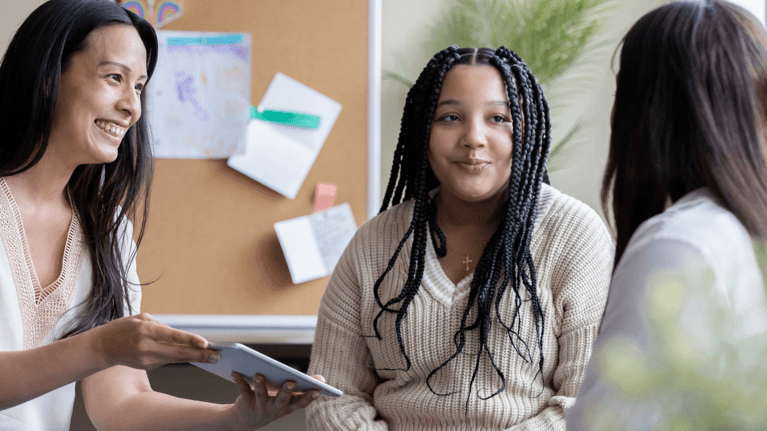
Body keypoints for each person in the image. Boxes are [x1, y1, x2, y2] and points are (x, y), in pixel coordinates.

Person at [0, 1, 320, 429]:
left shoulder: (108, 233)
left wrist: (237, 416)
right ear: (47, 77)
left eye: (139, 87)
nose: (131, 107)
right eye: (114, 78)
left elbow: (122, 406)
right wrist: (100, 348)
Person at [306, 46, 614, 430]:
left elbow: (590, 403)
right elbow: (333, 395)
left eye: (498, 118)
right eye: (450, 117)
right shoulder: (374, 243)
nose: (473, 138)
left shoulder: (574, 235)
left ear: (527, 130)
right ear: (422, 129)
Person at [566, 1, 767, 429]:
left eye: (622, 90)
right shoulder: (736, 232)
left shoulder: (677, 245)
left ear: (645, 110)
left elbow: (608, 424)